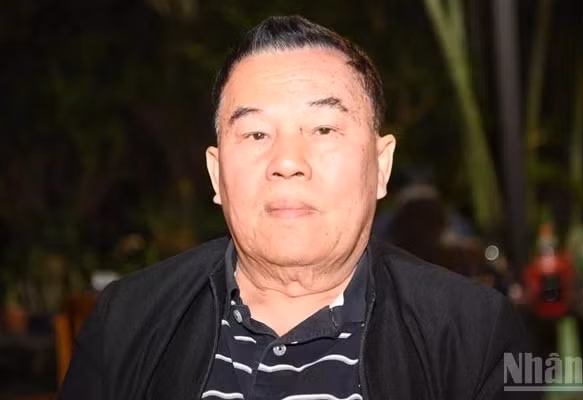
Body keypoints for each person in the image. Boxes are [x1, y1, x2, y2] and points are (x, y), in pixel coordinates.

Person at [60, 15, 534, 400]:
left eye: (323, 129)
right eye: (256, 134)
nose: (287, 162)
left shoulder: (474, 335)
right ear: (216, 174)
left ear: (381, 166)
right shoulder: (126, 322)